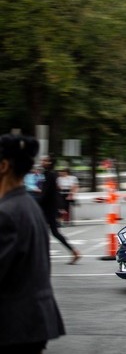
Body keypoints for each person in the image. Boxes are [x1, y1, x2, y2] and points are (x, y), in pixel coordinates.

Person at [0, 134, 66, 353]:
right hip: (32, 321)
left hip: (14, 327)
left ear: (3, 166)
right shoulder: (28, 206)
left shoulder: (7, 213)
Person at [39, 155, 80, 264]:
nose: (42, 162)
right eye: (42, 160)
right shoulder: (47, 174)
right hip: (48, 208)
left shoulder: (50, 175)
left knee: (46, 232)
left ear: (50, 162)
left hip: (48, 209)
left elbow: (46, 194)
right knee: (53, 233)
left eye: (45, 160)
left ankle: (40, 257)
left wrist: (35, 203)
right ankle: (74, 252)